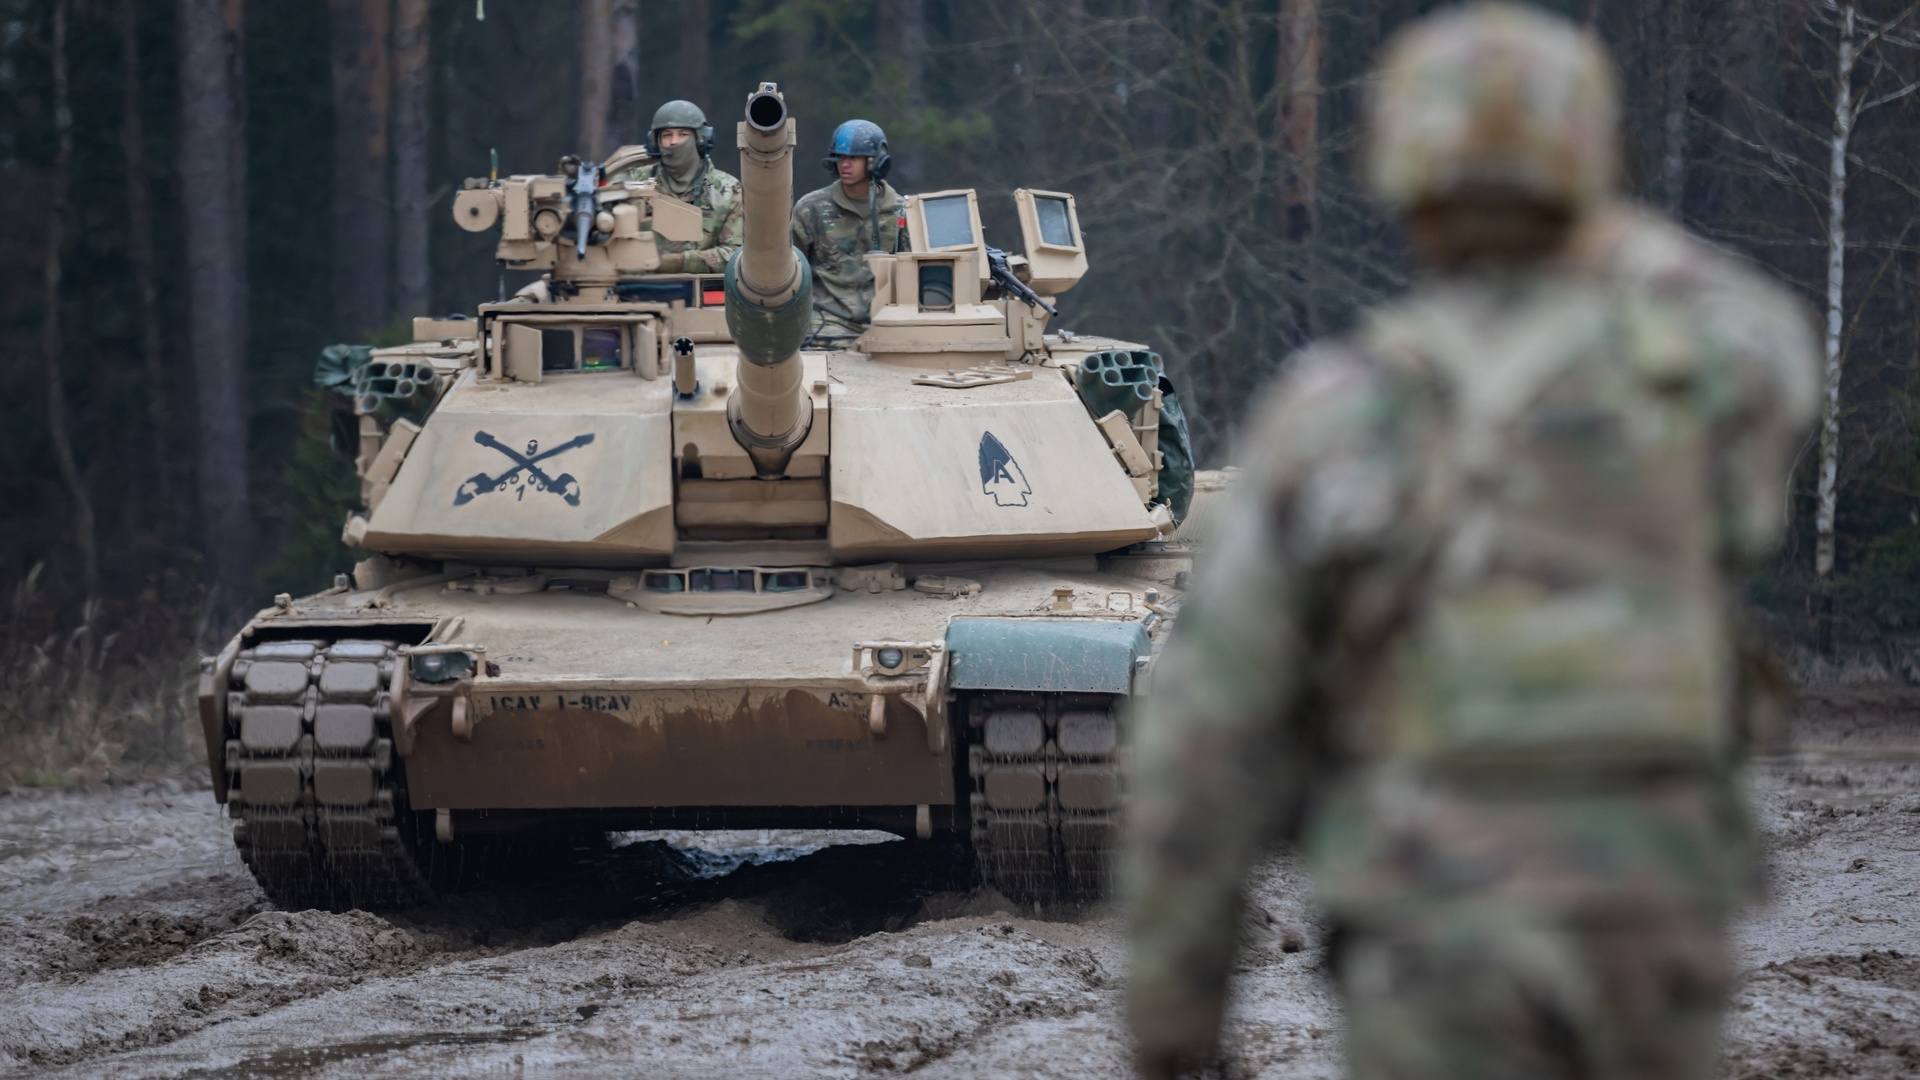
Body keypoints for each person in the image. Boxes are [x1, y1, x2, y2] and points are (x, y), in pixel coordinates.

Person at [1125, 4, 1819, 1079]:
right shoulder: (1697, 382)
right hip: (1651, 925)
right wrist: (1584, 211)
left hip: (1432, 931)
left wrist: (1175, 1021)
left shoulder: (1336, 411)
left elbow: (1206, 740)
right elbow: (1771, 341)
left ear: (1404, 173)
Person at [792, 119, 907, 342]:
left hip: (887, 321)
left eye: (854, 158)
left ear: (876, 162)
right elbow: (791, 268)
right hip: (826, 323)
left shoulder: (902, 212)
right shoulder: (811, 208)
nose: (844, 164)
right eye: (840, 157)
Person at [613, 99, 743, 274]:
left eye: (683, 135)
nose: (674, 142)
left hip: (699, 290)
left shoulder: (727, 189)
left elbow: (737, 255)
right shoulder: (633, 182)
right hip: (634, 288)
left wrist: (681, 262)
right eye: (667, 135)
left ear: (701, 139)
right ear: (655, 141)